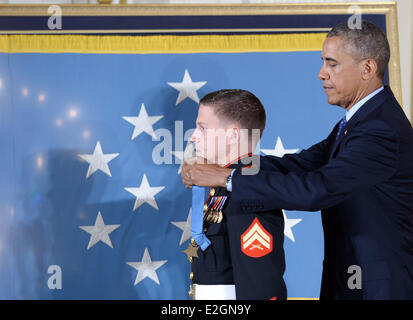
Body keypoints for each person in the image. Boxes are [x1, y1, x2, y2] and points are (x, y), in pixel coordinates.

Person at [182, 21, 413, 300]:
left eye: (332, 64)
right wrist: (225, 169)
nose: (321, 74)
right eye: (323, 63)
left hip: (377, 287)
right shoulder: (359, 123)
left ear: (367, 68)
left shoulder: (380, 129)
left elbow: (317, 190)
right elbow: (300, 164)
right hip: (352, 279)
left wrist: (224, 178)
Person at [184, 89, 287, 300]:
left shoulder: (249, 189)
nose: (193, 137)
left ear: (232, 135)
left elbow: (259, 281)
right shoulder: (227, 182)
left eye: (202, 128)